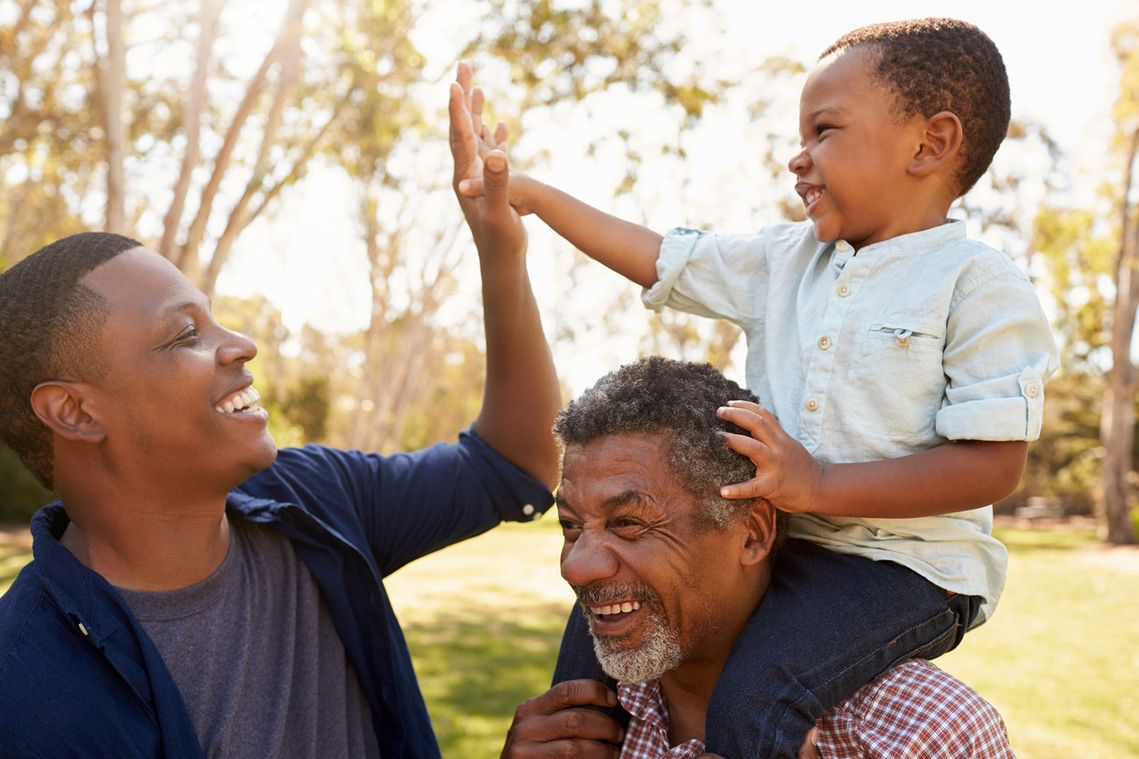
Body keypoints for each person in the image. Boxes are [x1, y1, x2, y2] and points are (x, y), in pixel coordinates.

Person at [455, 18, 1058, 758]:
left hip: (903, 571)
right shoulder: (785, 260)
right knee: (587, 658)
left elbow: (991, 464)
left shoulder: (977, 285)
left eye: (823, 131)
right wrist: (530, 196)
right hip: (791, 545)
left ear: (929, 144)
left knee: (755, 696)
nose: (796, 159)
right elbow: (659, 260)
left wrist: (818, 481)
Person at [0, 77, 557, 758]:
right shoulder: (25, 694)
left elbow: (514, 464)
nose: (239, 345)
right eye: (184, 334)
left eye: (214, 319)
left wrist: (500, 246)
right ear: (75, 411)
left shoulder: (314, 499)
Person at [501, 357, 1014, 759]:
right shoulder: (571, 727)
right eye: (570, 527)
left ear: (753, 534)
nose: (577, 567)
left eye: (629, 524)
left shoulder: (925, 735)